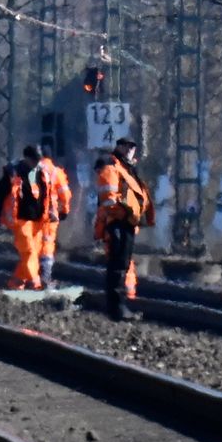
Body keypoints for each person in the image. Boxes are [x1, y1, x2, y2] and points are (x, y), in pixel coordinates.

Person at [93, 136, 154, 320]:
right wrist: (124, 213)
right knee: (117, 266)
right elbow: (108, 199)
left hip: (127, 223)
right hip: (117, 224)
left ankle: (118, 307)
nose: (129, 150)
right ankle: (116, 308)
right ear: (118, 147)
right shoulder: (112, 167)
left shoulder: (129, 169)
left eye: (132, 147)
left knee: (122, 265)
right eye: (126, 146)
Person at [0, 146, 51, 289]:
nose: (36, 163)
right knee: (28, 251)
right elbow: (1, 193)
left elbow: (47, 193)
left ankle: (16, 282)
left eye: (38, 160)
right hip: (20, 219)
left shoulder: (41, 172)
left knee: (33, 253)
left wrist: (50, 211)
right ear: (26, 158)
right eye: (34, 160)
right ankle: (35, 282)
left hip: (38, 220)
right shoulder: (13, 172)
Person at [35, 144, 75, 289]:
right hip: (49, 215)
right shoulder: (56, 172)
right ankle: (45, 278)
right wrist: (65, 210)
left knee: (33, 243)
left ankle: (31, 276)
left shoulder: (31, 169)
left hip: (32, 214)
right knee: (47, 244)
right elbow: (65, 194)